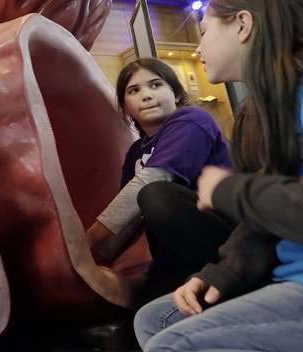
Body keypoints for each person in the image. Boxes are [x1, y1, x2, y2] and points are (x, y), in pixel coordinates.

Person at [134, 0, 303, 352]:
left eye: (205, 30)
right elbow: (270, 217)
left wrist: (229, 191)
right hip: (296, 273)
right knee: (156, 322)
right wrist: (222, 274)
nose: (200, 46)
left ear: (243, 24)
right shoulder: (269, 107)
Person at [85, 58, 232, 308]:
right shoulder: (134, 152)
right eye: (134, 90)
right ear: (125, 107)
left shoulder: (191, 119)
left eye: (155, 85)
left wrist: (87, 241)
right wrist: (97, 257)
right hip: (175, 261)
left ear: (175, 94)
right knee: (144, 311)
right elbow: (130, 216)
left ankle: (234, 275)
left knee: (153, 193)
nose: (147, 95)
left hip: (223, 244)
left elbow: (154, 179)